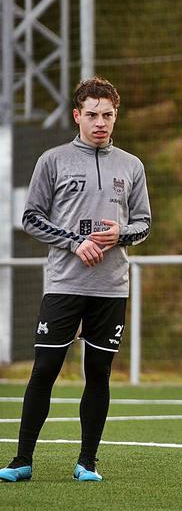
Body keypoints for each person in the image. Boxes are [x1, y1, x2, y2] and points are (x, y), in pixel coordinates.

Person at [0, 78, 152, 483]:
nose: (100, 123)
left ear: (115, 116)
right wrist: (74, 243)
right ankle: (22, 460)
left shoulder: (131, 165)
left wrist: (119, 233)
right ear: (77, 116)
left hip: (111, 287)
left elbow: (144, 225)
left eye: (107, 115)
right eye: (92, 115)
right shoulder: (52, 160)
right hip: (65, 284)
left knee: (98, 373)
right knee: (45, 368)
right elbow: (31, 217)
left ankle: (87, 462)